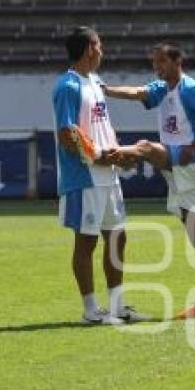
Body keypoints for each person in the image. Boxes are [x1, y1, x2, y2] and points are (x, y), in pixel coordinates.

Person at [101, 42, 195, 319]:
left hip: (193, 165)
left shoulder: (191, 89)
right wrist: (106, 90)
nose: (157, 67)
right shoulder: (163, 89)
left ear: (176, 62)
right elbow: (138, 92)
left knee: (145, 148)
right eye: (154, 63)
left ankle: (110, 154)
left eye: (161, 62)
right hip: (176, 167)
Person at [52, 26, 145, 325]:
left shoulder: (95, 82)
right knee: (86, 242)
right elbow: (67, 133)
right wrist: (98, 157)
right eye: (100, 46)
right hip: (85, 177)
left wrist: (119, 154)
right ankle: (91, 310)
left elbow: (102, 127)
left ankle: (117, 307)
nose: (102, 52)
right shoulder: (67, 85)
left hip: (108, 174)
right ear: (90, 48)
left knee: (118, 237)